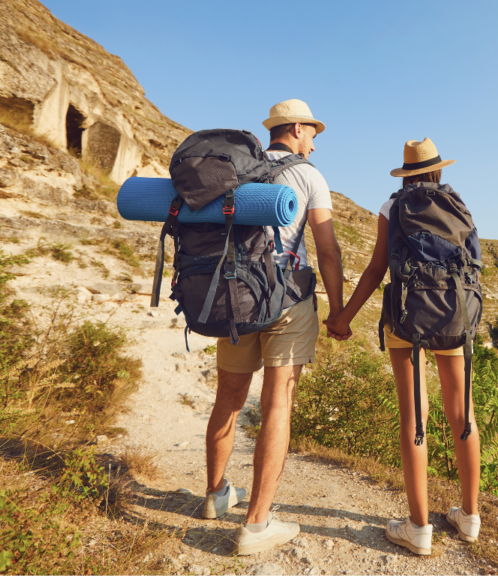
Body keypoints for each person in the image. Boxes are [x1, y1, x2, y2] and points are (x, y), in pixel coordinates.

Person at [202, 99, 347, 556]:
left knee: (227, 397)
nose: (315, 142)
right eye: (313, 133)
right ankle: (257, 524)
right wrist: (338, 310)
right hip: (285, 300)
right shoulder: (308, 175)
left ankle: (215, 495)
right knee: (277, 404)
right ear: (297, 128)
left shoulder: (241, 168)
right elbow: (326, 250)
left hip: (235, 298)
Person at [324, 138, 481, 556]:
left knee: (415, 416)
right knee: (462, 412)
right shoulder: (458, 204)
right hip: (454, 315)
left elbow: (377, 268)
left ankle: (419, 527)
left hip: (408, 317)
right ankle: (469, 518)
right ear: (438, 171)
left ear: (406, 173)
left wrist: (344, 317)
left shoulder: (392, 207)